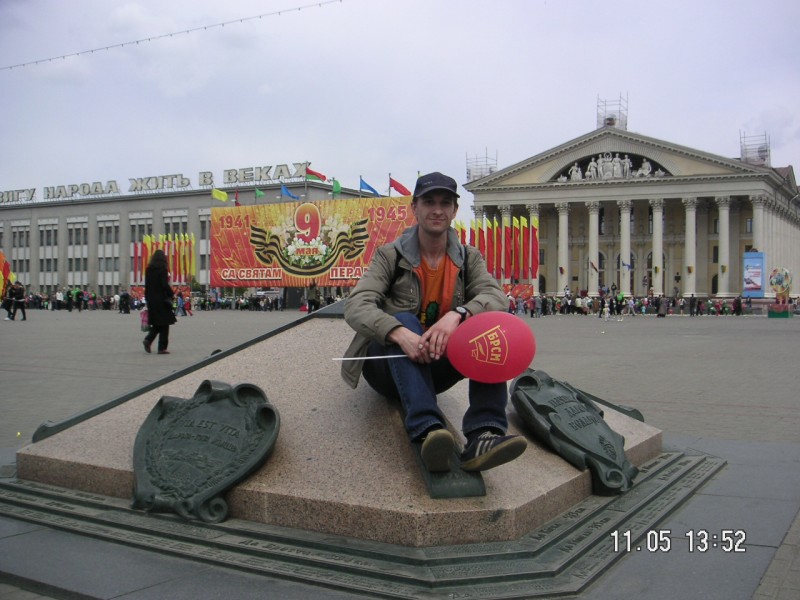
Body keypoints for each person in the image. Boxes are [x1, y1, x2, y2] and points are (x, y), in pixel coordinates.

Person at [341, 171, 527, 474]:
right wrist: (399, 333)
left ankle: (483, 434)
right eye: (429, 201)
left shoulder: (469, 258)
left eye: (445, 202)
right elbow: (356, 305)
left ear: (455, 210)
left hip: (435, 365)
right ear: (414, 208)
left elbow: (496, 297)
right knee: (402, 318)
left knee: (489, 328)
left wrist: (459, 315)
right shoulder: (390, 255)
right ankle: (429, 432)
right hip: (389, 365)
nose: (437, 209)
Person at [142, 249, 176, 355]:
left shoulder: (148, 269)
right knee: (165, 323)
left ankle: (148, 340)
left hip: (151, 300)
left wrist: (147, 299)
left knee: (158, 323)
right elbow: (164, 285)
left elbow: (147, 286)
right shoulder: (162, 269)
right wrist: (171, 294)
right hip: (162, 300)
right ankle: (162, 348)